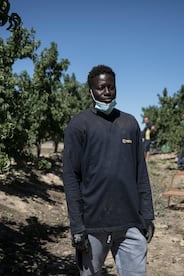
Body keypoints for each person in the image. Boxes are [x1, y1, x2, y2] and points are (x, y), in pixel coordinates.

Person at [63, 65, 155, 275]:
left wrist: (147, 214)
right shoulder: (79, 125)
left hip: (130, 223)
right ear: (91, 91)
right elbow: (71, 177)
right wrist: (77, 226)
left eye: (111, 87)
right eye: (101, 88)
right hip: (92, 225)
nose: (106, 92)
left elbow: (141, 172)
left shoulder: (129, 123)